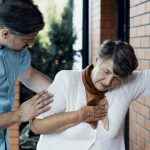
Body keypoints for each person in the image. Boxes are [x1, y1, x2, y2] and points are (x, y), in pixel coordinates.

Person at [31, 40, 144, 150]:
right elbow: (36, 126)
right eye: (106, 72)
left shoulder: (125, 85)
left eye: (116, 78)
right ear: (97, 60)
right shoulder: (67, 81)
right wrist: (79, 115)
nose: (108, 82)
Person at [0, 1, 54, 149]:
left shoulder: (18, 53)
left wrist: (62, 92)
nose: (30, 45)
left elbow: (29, 76)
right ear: (5, 33)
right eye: (26, 40)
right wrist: (19, 114)